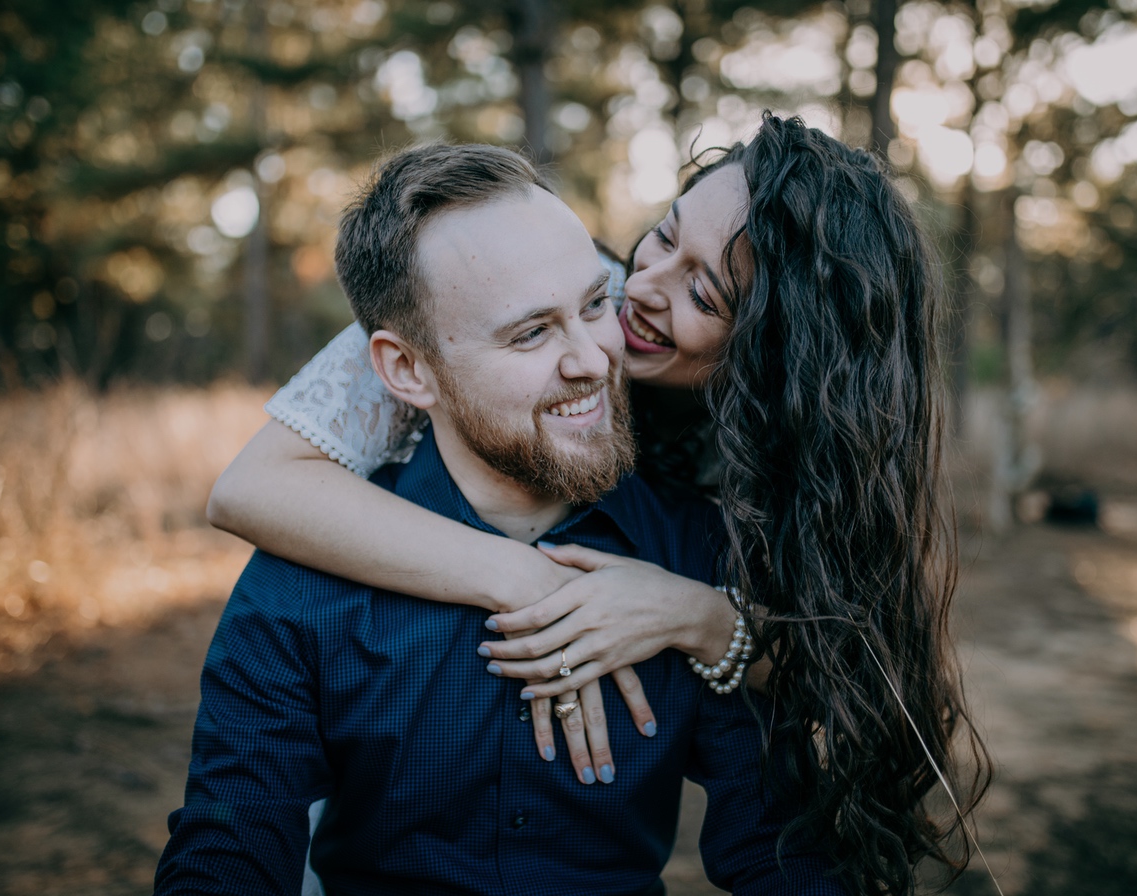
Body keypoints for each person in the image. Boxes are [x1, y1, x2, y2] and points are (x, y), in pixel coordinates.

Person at [208, 114, 989, 895]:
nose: (631, 301)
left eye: (704, 293)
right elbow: (254, 487)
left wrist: (703, 618)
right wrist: (527, 579)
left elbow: (832, 691)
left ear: (775, 353)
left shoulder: (730, 521)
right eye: (663, 236)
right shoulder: (522, 279)